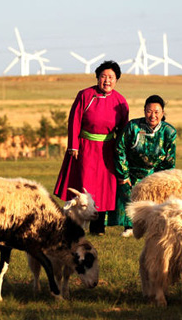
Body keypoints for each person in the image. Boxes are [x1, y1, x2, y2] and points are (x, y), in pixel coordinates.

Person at [54, 60, 129, 235]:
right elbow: (74, 120)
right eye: (103, 76)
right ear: (97, 78)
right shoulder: (85, 95)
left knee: (104, 188)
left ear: (116, 79)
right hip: (85, 147)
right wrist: (73, 145)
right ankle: (75, 224)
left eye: (111, 77)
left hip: (108, 150)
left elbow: (123, 129)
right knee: (84, 185)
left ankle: (98, 227)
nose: (107, 80)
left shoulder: (121, 102)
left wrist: (121, 152)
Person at [114, 94, 177, 237]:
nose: (152, 115)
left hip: (154, 172)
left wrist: (162, 178)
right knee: (129, 196)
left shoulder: (169, 131)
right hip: (131, 171)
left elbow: (169, 159)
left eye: (156, 112)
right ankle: (129, 227)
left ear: (162, 113)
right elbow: (120, 149)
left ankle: (155, 226)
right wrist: (123, 174)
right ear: (144, 111)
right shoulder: (133, 127)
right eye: (149, 111)